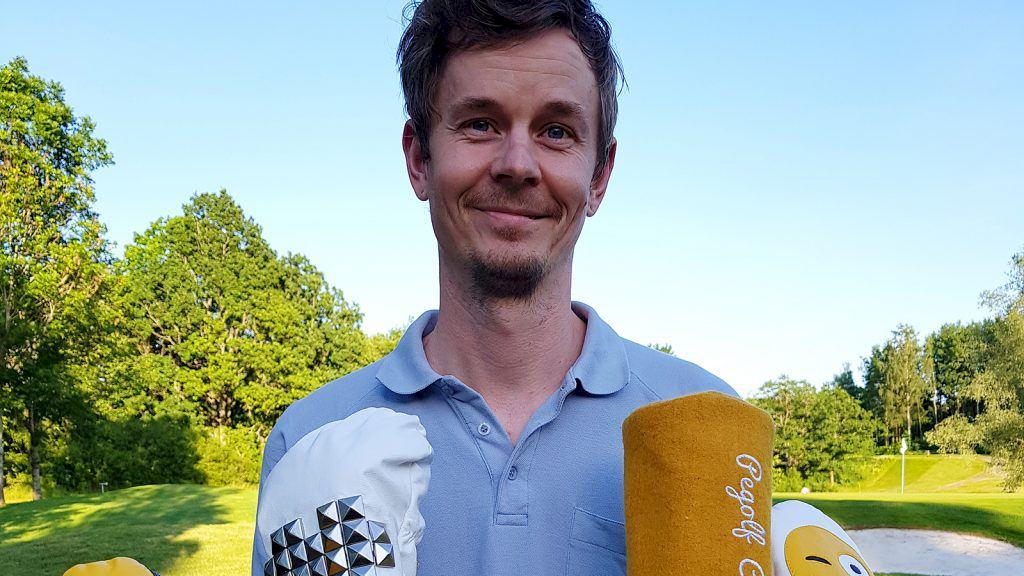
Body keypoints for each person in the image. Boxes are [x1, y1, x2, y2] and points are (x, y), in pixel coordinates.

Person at [252, 1, 736, 574]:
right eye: (480, 123)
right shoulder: (309, 437)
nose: (517, 164)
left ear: (600, 176)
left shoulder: (708, 425)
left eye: (556, 131)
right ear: (419, 159)